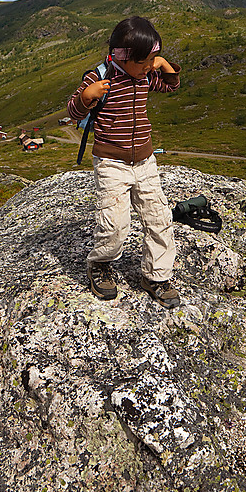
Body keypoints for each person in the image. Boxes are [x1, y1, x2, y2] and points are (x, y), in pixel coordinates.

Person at [67, 16, 181, 308]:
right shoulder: (100, 77)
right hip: (111, 163)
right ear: (122, 55)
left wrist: (165, 65)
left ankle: (156, 276)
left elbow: (170, 86)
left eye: (151, 60)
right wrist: (86, 97)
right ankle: (101, 265)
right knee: (115, 223)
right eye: (144, 62)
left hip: (145, 161)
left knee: (159, 219)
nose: (147, 68)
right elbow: (74, 113)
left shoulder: (144, 75)